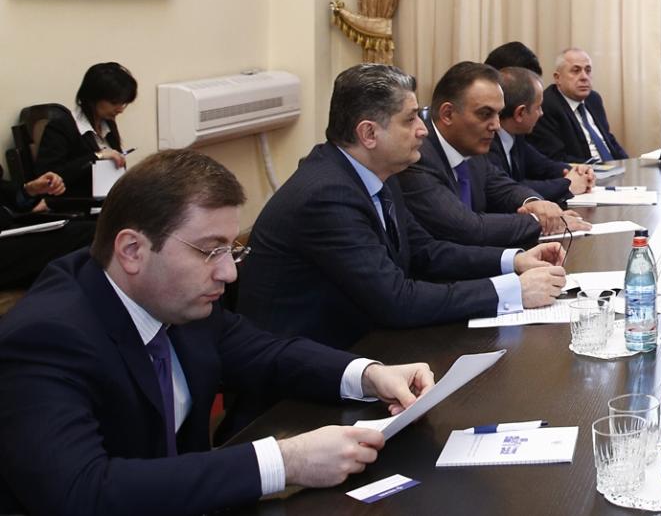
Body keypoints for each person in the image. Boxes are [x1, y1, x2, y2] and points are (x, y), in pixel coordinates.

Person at [0, 149, 436, 516]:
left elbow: (268, 354)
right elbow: (82, 490)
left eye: (231, 250)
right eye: (210, 252)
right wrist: (284, 462)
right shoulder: (45, 338)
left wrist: (369, 374)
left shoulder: (178, 299)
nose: (228, 273)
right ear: (132, 250)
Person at [237, 64, 568, 348]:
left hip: (370, 346)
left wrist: (514, 260)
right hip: (307, 377)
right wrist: (512, 292)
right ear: (369, 133)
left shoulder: (379, 173)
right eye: (410, 120)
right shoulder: (327, 196)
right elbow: (396, 300)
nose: (423, 129)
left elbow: (426, 251)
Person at [395, 62, 588, 246]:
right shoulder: (417, 156)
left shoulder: (471, 147)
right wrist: (540, 221)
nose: (496, 125)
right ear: (447, 114)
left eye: (498, 114)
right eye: (485, 114)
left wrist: (536, 203)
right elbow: (467, 227)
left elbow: (502, 187)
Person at [490, 66, 594, 204]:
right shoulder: (487, 142)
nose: (541, 113)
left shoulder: (515, 135)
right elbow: (509, 188)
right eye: (538, 107)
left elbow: (544, 166)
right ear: (520, 113)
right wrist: (567, 184)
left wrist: (579, 172)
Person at [34, 62, 138, 198]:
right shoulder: (62, 127)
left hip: (107, 201)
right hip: (76, 203)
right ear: (93, 97)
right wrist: (97, 156)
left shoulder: (107, 124)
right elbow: (49, 178)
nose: (120, 109)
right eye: (114, 103)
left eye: (123, 103)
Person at [0, 168, 94, 288]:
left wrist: (30, 190)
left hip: (11, 226)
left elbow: (7, 195)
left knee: (87, 229)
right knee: (89, 236)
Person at [530, 47, 627, 164]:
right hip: (586, 171)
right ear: (557, 78)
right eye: (576, 71)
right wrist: (599, 168)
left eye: (588, 70)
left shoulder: (593, 99)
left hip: (613, 169)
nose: (584, 77)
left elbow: (608, 139)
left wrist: (629, 163)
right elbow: (555, 157)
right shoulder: (546, 105)